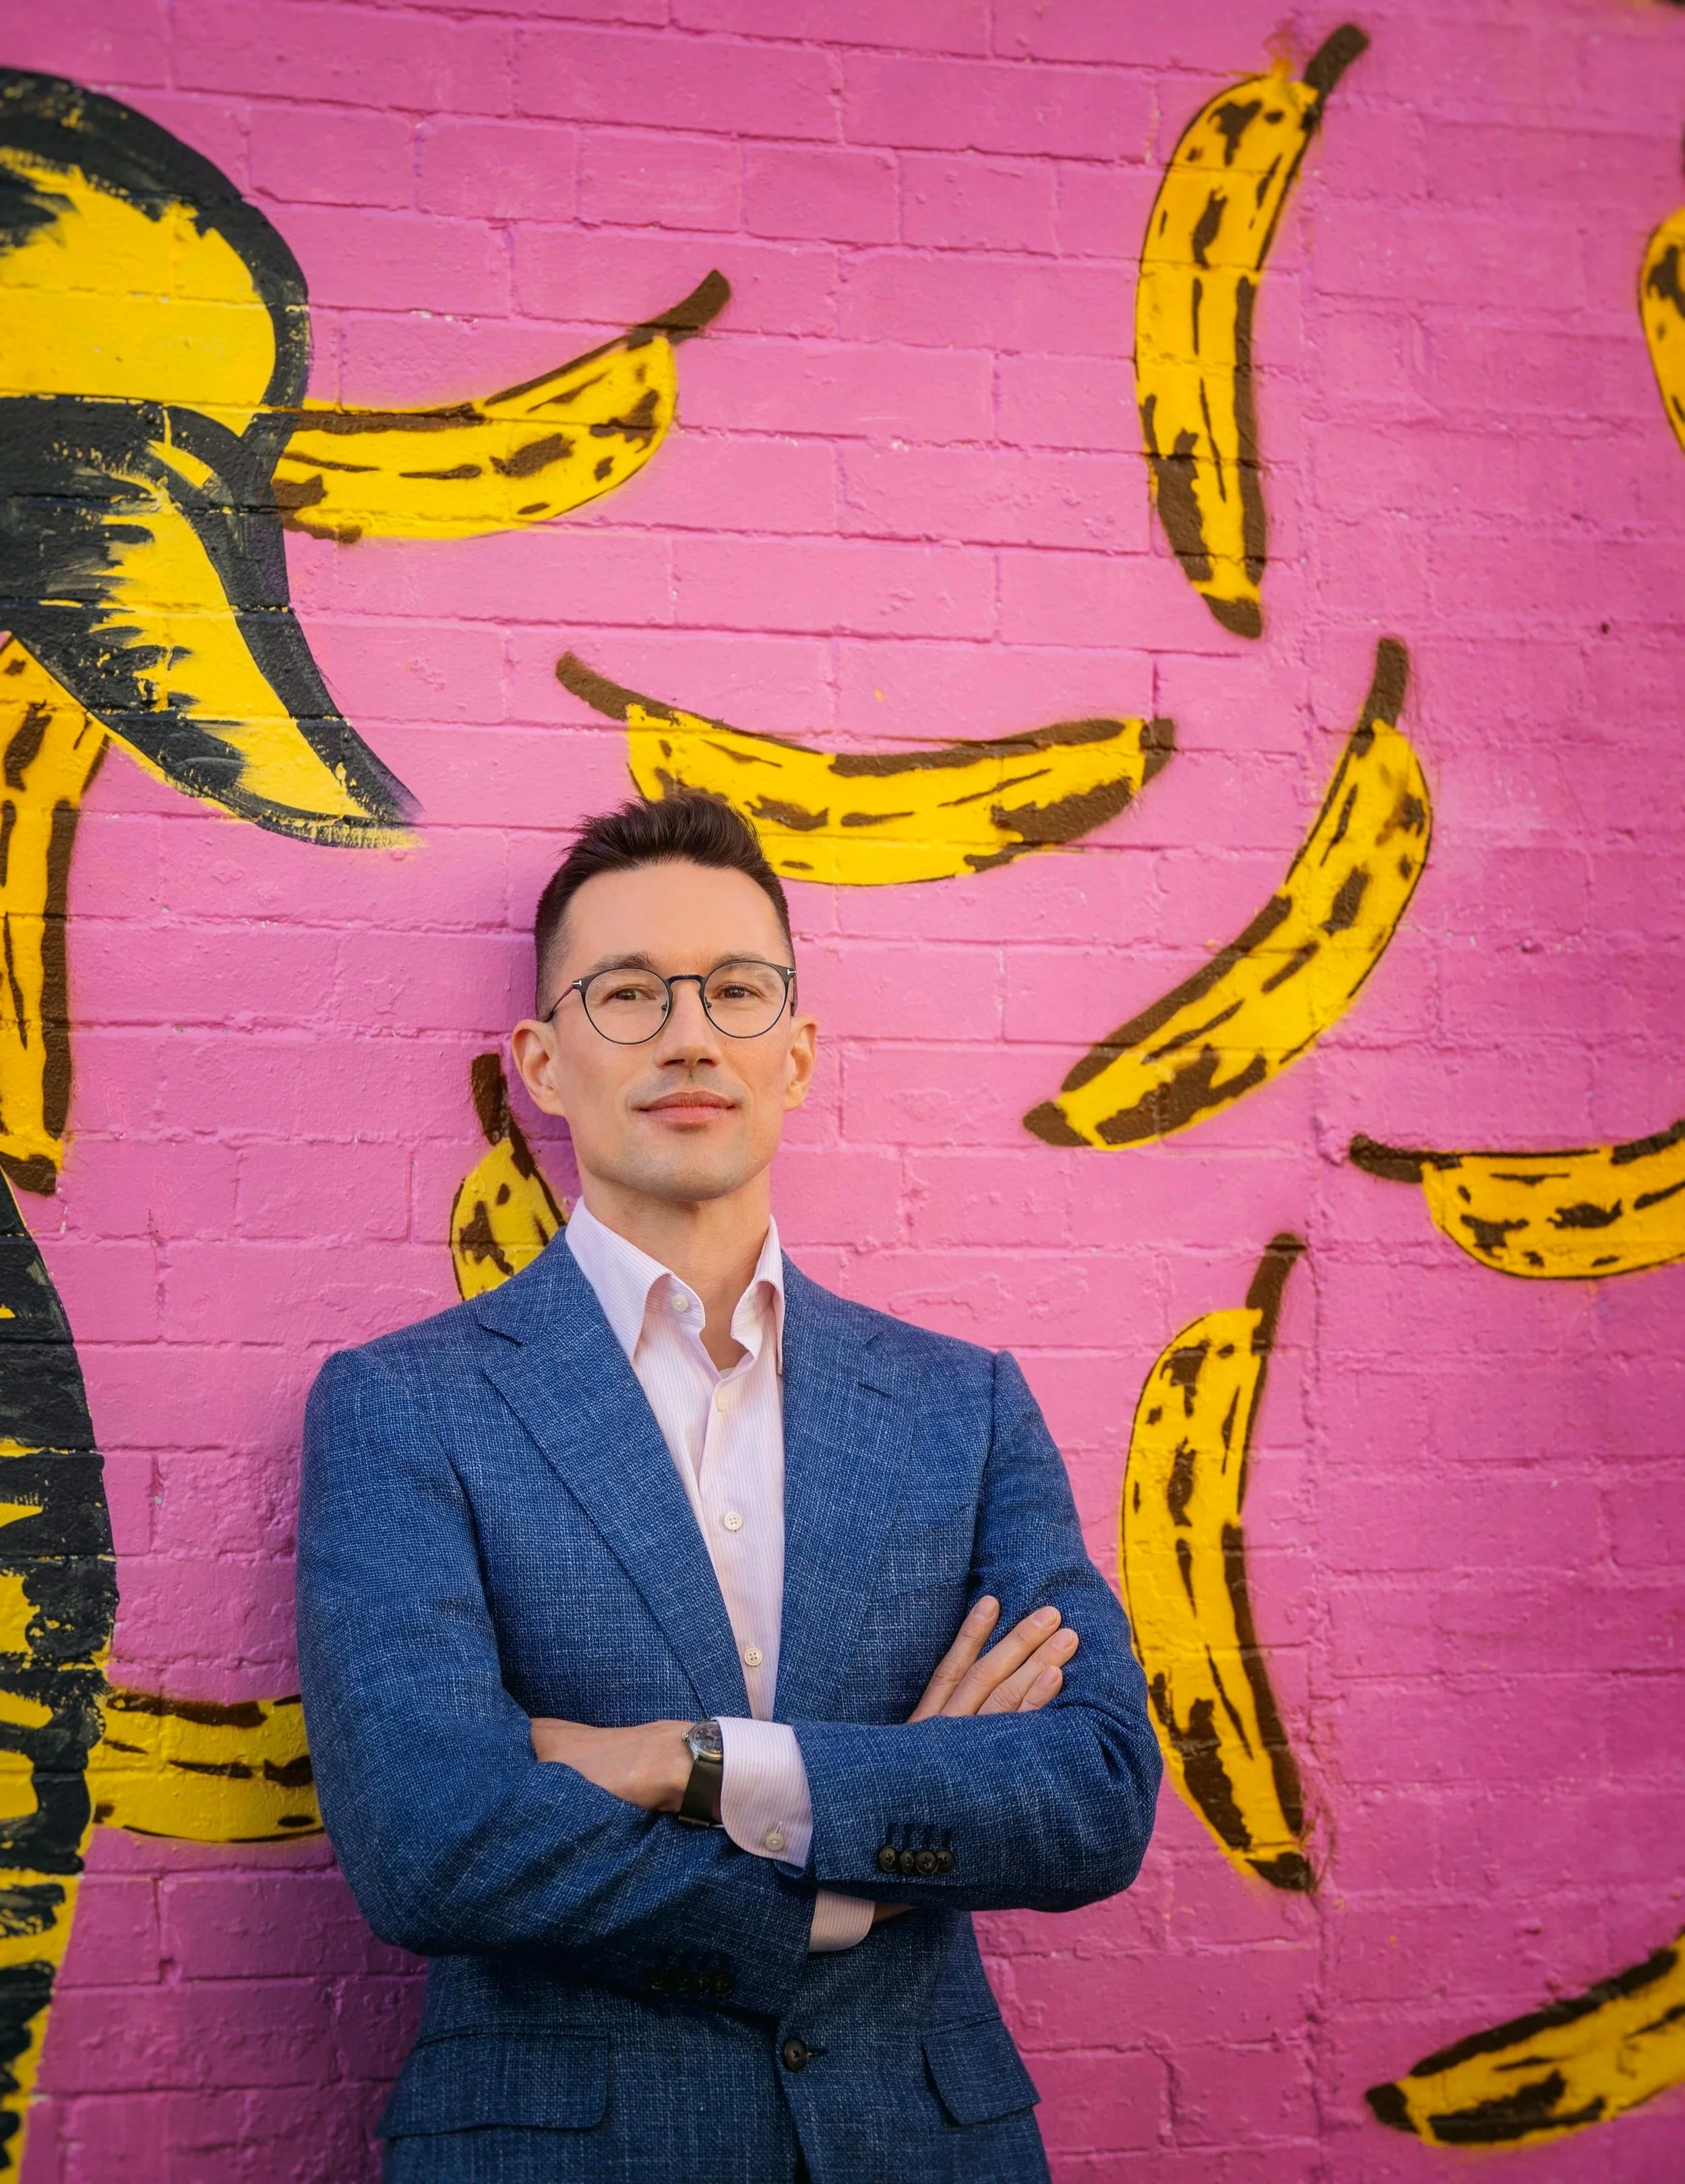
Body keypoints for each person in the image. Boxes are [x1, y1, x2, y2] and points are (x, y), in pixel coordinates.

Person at [297, 794, 1161, 2183]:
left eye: (736, 992)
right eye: (627, 993)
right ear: (542, 1061)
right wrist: (839, 1889)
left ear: (797, 1053)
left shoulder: (960, 1406)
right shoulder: (407, 1405)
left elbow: (1091, 1790)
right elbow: (430, 1839)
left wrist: (679, 1760)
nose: (689, 1034)